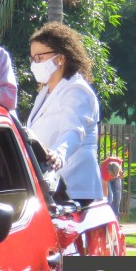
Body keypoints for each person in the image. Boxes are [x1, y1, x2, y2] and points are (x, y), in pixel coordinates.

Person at [25, 22, 103, 204]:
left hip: (75, 188)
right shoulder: (44, 93)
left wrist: (59, 154)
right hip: (51, 185)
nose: (35, 63)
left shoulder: (76, 89)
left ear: (60, 58)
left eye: (40, 57)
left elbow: (73, 131)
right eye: (32, 58)